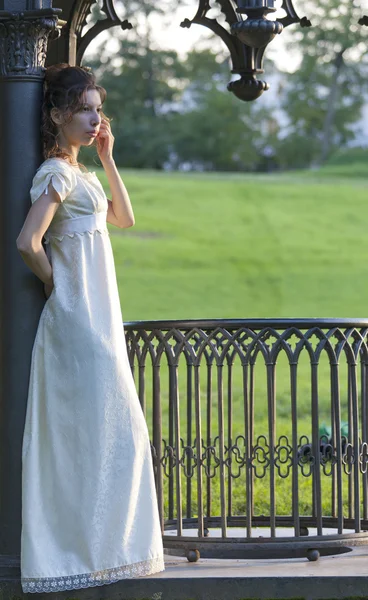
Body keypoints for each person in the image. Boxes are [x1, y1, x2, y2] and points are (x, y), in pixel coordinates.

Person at [16, 63, 165, 593]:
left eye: (97, 108)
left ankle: (108, 553)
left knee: (110, 432)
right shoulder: (55, 172)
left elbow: (123, 218)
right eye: (83, 109)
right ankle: (75, 556)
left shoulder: (84, 174)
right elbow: (27, 243)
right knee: (107, 430)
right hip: (80, 322)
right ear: (57, 115)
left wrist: (108, 156)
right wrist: (64, 292)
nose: (93, 118)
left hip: (99, 317)